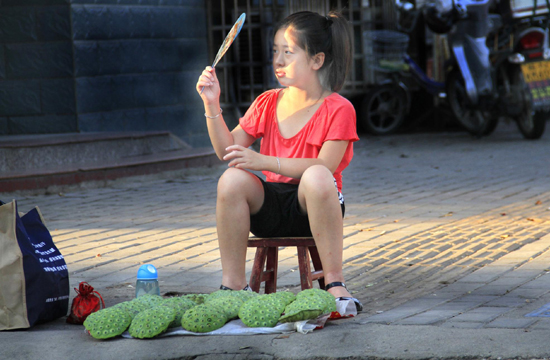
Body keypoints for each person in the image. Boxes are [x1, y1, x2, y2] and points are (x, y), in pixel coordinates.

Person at [195, 10, 362, 311]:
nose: (278, 60)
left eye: (288, 52)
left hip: (314, 207)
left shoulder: (339, 108)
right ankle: (233, 285)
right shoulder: (267, 102)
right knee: (231, 179)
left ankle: (335, 281)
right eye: (275, 51)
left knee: (317, 176)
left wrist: (264, 161)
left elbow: (325, 165)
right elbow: (227, 151)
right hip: (270, 208)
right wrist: (211, 104)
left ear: (317, 60)